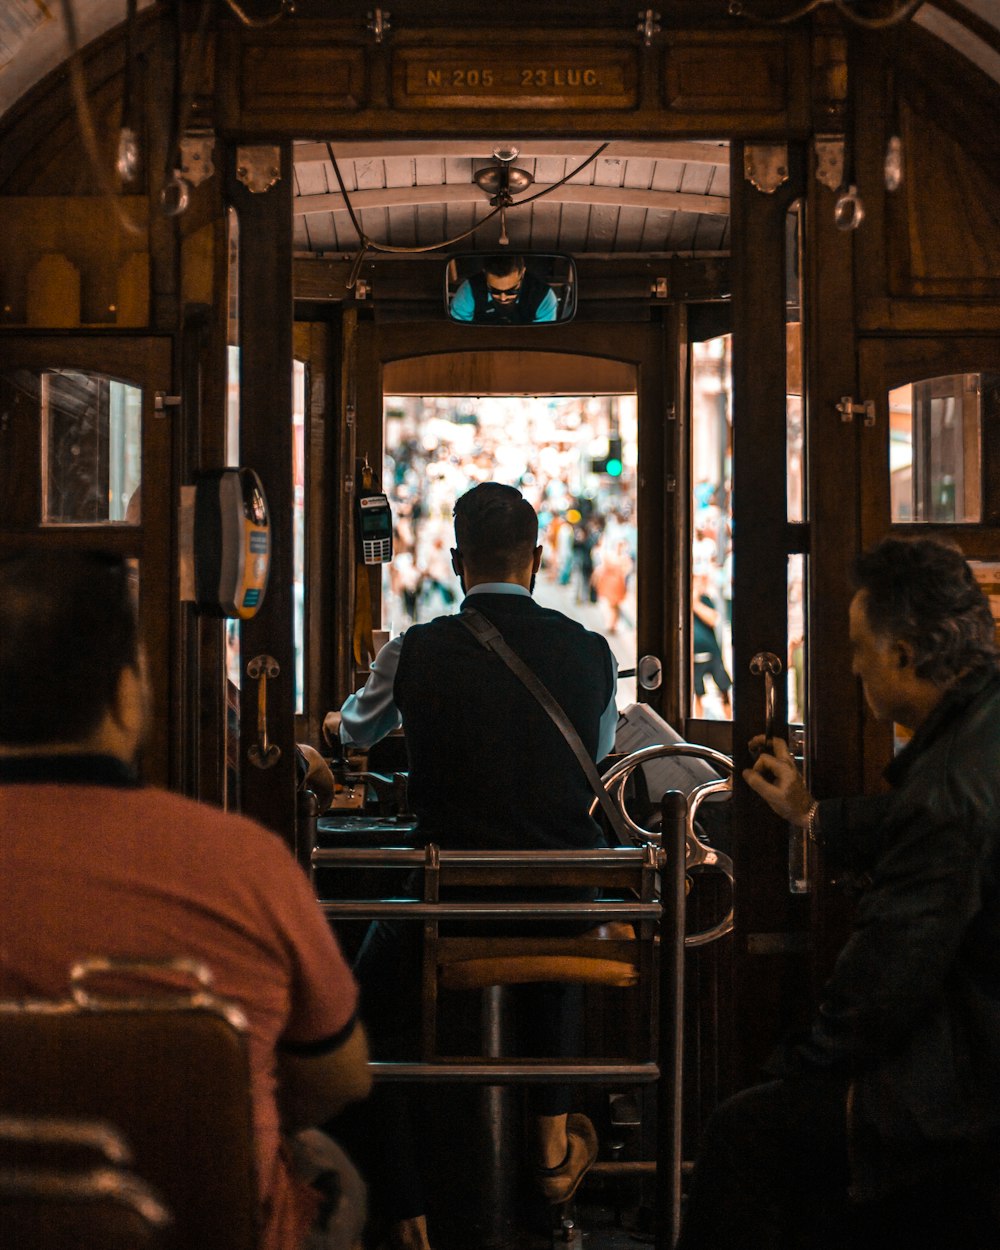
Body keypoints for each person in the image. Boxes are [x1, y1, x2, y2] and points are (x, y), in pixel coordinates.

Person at [0, 548, 373, 1250]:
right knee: (337, 1173)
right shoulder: (241, 864)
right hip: (216, 1221)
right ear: (126, 693)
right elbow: (341, 1075)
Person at [677, 537, 1000, 1250]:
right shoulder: (978, 736)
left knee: (745, 1134)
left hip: (975, 1085)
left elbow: (886, 978)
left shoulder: (947, 789)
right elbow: (913, 828)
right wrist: (811, 813)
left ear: (903, 656)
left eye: (858, 649)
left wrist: (798, 1065)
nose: (851, 666)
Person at [323, 481, 619, 1250]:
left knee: (359, 1009)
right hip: (561, 906)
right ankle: (552, 1147)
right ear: (539, 559)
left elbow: (356, 732)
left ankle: (408, 1208)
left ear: (455, 562)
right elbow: (601, 751)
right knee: (553, 935)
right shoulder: (591, 651)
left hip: (448, 906)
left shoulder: (414, 648)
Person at [449, 254, 559, 325]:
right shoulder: (468, 291)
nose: (503, 297)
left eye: (511, 290)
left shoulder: (544, 297)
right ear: (484, 274)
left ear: (523, 273)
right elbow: (460, 332)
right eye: (494, 290)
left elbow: (542, 336)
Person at [691, 566, 731, 717]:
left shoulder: (705, 601)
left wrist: (695, 603)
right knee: (697, 693)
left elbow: (713, 619)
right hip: (694, 657)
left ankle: (729, 718)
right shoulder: (682, 605)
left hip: (712, 653)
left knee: (724, 689)